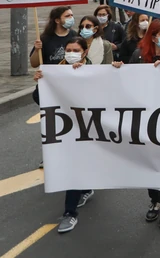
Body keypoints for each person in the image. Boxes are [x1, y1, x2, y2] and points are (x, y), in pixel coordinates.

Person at [112, 19, 160, 229]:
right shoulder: (139, 55)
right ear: (151, 36)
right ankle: (155, 200)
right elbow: (130, 81)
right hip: (145, 117)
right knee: (148, 163)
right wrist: (119, 69)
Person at [32, 37, 100, 233]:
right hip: (66, 128)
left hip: (89, 128)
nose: (71, 53)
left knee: (78, 166)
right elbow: (39, 100)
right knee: (74, 165)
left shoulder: (96, 71)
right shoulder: (55, 71)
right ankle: (82, 193)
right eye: (68, 49)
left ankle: (70, 213)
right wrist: (40, 82)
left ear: (85, 52)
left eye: (76, 49)